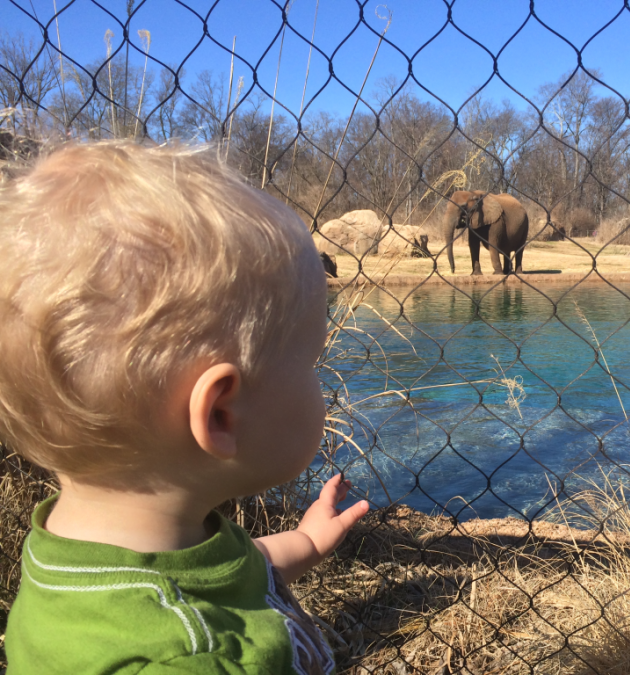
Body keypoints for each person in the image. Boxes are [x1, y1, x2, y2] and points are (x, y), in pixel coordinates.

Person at [0, 141, 369, 674]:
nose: (320, 381)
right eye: (311, 362)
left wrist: (307, 542)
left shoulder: (79, 555)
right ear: (221, 414)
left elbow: (226, 572)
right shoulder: (186, 659)